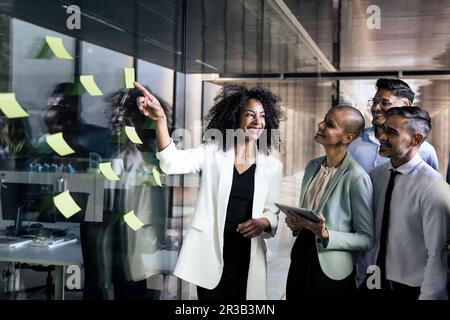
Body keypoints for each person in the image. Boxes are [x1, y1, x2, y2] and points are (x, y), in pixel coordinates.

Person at [134, 82, 283, 300]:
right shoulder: (213, 154)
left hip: (248, 253)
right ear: (235, 118)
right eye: (250, 115)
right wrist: (161, 120)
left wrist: (264, 222)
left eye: (261, 116)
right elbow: (171, 163)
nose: (257, 121)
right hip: (212, 251)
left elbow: (273, 211)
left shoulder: (272, 166)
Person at [356, 107, 450, 300]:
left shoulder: (434, 188)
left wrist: (428, 297)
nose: (382, 137)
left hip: (408, 291)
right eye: (384, 129)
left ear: (416, 139)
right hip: (371, 283)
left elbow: (437, 255)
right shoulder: (375, 177)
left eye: (391, 132)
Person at [285, 105, 374, 300]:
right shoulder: (312, 166)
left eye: (330, 124)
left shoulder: (357, 178)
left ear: (347, 138)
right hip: (301, 255)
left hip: (330, 268)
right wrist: (296, 225)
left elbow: (366, 238)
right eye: (324, 119)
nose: (321, 125)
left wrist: (325, 233)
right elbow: (306, 214)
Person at [348, 78, 438, 172]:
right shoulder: (354, 141)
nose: (375, 108)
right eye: (374, 102)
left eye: (385, 102)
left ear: (406, 105)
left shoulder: (425, 151)